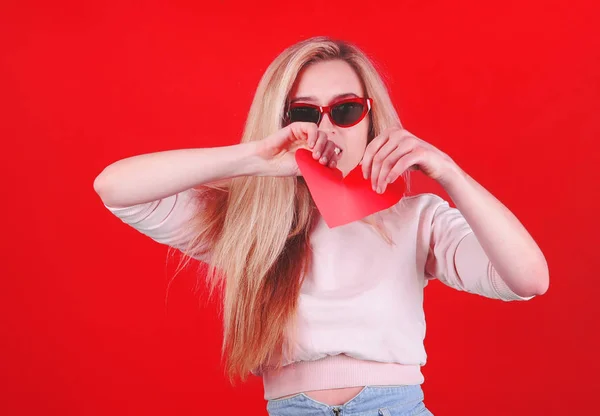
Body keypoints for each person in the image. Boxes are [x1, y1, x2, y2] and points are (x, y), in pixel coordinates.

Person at [93, 36, 549, 415]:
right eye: (304, 113)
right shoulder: (249, 224)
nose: (326, 127)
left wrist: (449, 171)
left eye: (346, 109)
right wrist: (257, 159)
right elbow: (114, 187)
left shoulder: (417, 217)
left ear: (371, 119)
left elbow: (528, 279)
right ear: (283, 122)